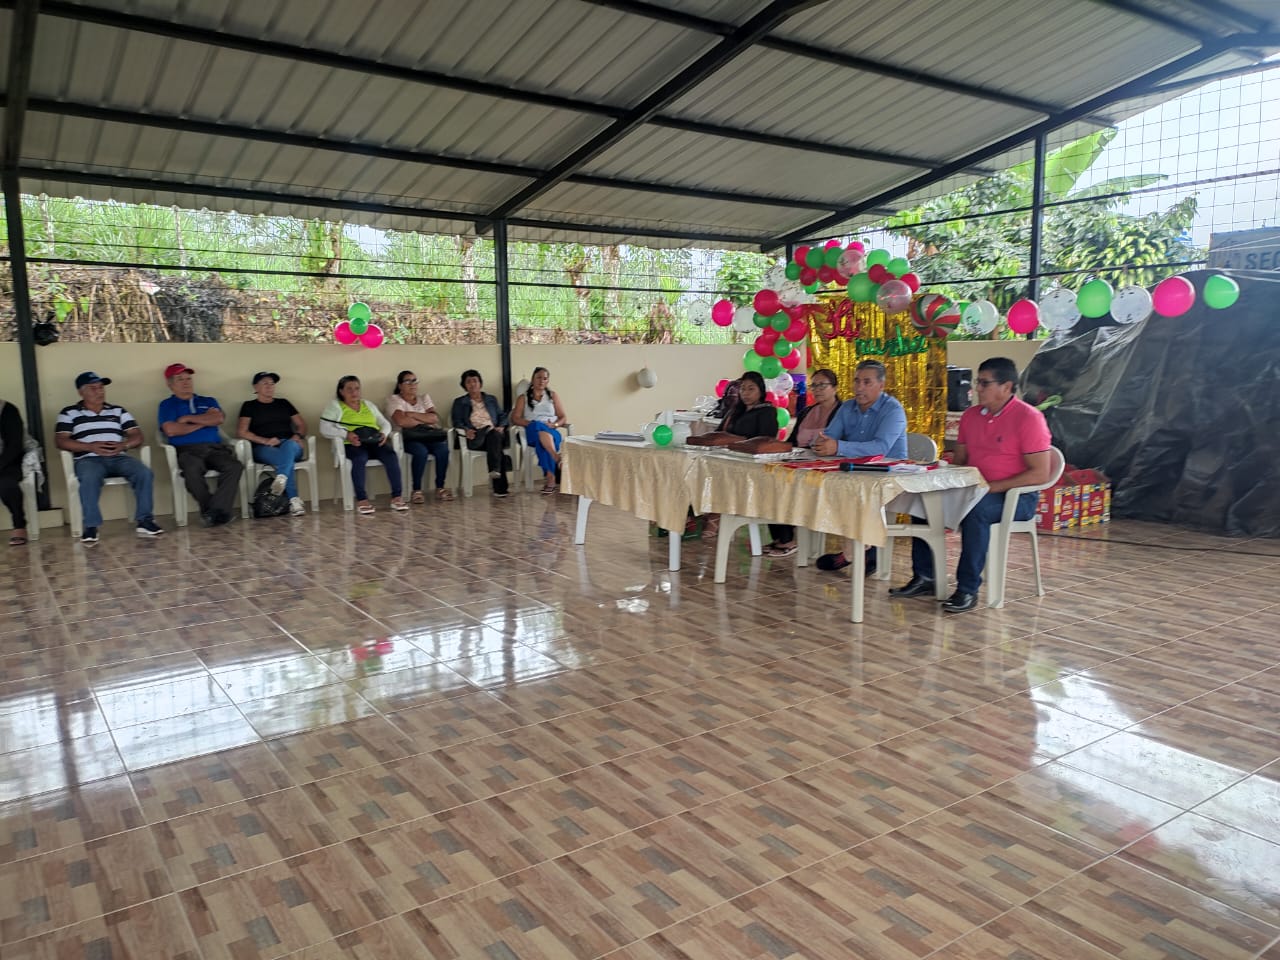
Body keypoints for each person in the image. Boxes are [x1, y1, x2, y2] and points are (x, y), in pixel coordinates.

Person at [890, 356, 1053, 613]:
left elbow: (1041, 474)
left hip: (1015, 497)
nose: (977, 388)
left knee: (977, 511)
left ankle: (967, 589)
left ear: (1006, 387)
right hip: (974, 489)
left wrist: (992, 487)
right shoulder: (970, 416)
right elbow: (961, 461)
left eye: (984, 383)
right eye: (978, 382)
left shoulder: (1028, 418)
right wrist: (943, 476)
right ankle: (926, 577)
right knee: (923, 501)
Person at [811, 359, 909, 575]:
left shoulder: (893, 410)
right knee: (824, 486)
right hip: (855, 472)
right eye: (857, 381)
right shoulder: (847, 407)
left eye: (867, 382)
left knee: (856, 491)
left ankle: (855, 553)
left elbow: (881, 448)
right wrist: (821, 444)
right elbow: (830, 437)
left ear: (881, 385)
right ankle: (856, 551)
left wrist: (838, 446)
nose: (859, 387)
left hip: (889, 477)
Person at [55, 372, 163, 543]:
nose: (99, 392)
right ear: (81, 392)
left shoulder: (118, 411)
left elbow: (137, 435)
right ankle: (91, 526)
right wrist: (90, 447)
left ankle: (145, 520)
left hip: (119, 457)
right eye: (93, 388)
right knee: (89, 477)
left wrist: (123, 445)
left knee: (144, 473)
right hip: (88, 459)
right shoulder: (69, 413)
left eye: (101, 388)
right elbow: (61, 441)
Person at [764, 368, 842, 557]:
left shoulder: (843, 412)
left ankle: (788, 539)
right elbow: (792, 441)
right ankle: (780, 537)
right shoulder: (807, 411)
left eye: (822, 385)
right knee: (770, 477)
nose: (817, 389)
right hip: (800, 461)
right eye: (813, 386)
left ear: (834, 388)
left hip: (826, 466)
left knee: (788, 484)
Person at [159, 363, 244, 527]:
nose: (186, 382)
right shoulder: (167, 405)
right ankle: (215, 512)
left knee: (234, 466)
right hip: (187, 451)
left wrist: (188, 419)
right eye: (180, 379)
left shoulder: (208, 400)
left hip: (215, 449)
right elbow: (171, 430)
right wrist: (205, 421)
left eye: (188, 378)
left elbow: (218, 418)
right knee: (192, 469)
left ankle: (212, 513)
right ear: (170, 385)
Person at [320, 375, 406, 514]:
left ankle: (397, 497)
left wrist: (383, 433)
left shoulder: (368, 404)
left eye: (357, 389)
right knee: (359, 458)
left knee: (391, 455)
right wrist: (346, 434)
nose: (354, 392)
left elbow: (384, 423)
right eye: (349, 389)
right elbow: (324, 428)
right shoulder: (335, 406)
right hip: (352, 443)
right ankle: (362, 500)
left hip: (372, 441)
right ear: (341, 391)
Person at [237, 372, 308, 517]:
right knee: (286, 460)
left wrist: (297, 436)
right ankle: (293, 498)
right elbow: (242, 432)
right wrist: (265, 441)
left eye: (272, 383)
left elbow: (301, 425)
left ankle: (284, 482)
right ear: (255, 387)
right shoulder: (249, 406)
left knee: (288, 448)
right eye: (265, 383)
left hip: (290, 444)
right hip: (265, 447)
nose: (269, 386)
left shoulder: (284, 403)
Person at [386, 371, 453, 503]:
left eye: (415, 381)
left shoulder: (424, 398)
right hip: (409, 437)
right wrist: (423, 419)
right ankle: (416, 490)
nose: (412, 384)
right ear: (400, 385)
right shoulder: (394, 400)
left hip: (428, 435)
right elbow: (401, 421)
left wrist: (411, 414)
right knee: (421, 452)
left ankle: (440, 487)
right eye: (408, 381)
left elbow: (434, 418)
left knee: (443, 450)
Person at [451, 369, 510, 498]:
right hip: (476, 436)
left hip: (494, 434)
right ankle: (499, 486)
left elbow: (502, 415)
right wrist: (466, 430)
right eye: (468, 382)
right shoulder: (460, 402)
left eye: (475, 381)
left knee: (494, 436)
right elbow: (456, 421)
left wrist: (501, 426)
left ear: (480, 383)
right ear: (464, 385)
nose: (472, 384)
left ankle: (496, 473)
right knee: (496, 443)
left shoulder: (491, 399)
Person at [511, 366, 568, 495]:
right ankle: (556, 458)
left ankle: (551, 479)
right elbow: (515, 418)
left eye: (545, 378)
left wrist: (555, 424)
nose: (541, 381)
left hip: (551, 431)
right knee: (537, 426)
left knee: (542, 440)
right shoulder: (523, 398)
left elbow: (563, 417)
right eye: (538, 378)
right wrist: (530, 423)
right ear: (532, 379)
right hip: (531, 431)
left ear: (548, 381)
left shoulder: (552, 396)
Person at [685, 371, 781, 447]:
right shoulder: (735, 410)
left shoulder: (767, 411)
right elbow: (719, 433)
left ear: (761, 391)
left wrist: (736, 441)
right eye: (742, 389)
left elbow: (766, 441)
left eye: (751, 389)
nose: (746, 393)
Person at [1, 399, 31, 546]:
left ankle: (19, 525)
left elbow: (15, 445)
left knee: (6, 484)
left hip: (8, 461)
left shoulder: (6, 409)